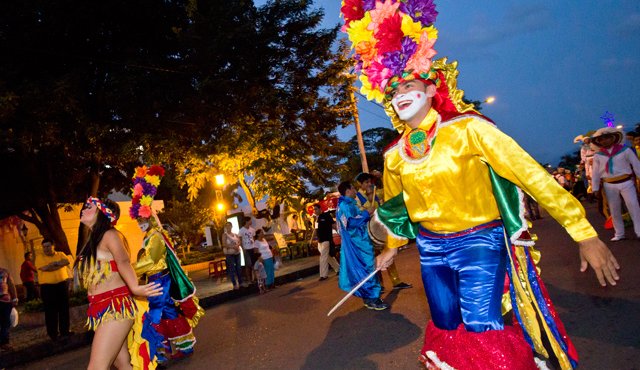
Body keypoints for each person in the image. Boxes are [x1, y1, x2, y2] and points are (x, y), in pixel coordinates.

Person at [341, 1, 620, 368]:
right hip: (429, 248)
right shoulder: (394, 154)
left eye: (408, 84)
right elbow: (399, 205)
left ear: (429, 89)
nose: (400, 94)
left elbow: (530, 173)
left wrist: (584, 232)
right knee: (446, 326)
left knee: (480, 329)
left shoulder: (469, 129)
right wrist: (391, 246)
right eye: (393, 91)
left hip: (478, 242)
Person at [130, 164, 205, 366]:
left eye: (141, 220)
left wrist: (128, 269)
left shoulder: (155, 237)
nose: (139, 224)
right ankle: (175, 347)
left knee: (157, 313)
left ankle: (161, 350)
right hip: (156, 280)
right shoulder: (151, 236)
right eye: (138, 221)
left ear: (150, 220)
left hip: (159, 280)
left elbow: (151, 261)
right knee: (166, 312)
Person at [75, 197, 162, 370]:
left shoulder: (110, 235)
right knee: (123, 364)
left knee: (96, 367)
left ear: (102, 213)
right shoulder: (93, 240)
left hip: (115, 309)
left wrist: (135, 287)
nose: (83, 209)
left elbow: (123, 261)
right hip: (100, 310)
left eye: (89, 207)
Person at [336, 181, 389, 311]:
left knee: (362, 271)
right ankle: (373, 299)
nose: (356, 191)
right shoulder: (344, 205)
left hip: (358, 243)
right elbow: (351, 223)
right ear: (348, 191)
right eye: (353, 188)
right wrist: (367, 214)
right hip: (358, 244)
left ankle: (369, 298)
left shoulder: (346, 205)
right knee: (368, 268)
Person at [354, 172, 412, 291]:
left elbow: (385, 199)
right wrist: (367, 210)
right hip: (367, 233)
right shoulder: (357, 198)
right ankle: (379, 285)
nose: (369, 184)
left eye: (370, 182)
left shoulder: (375, 194)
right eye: (366, 182)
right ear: (360, 184)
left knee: (388, 255)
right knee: (374, 260)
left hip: (379, 230)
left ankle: (396, 281)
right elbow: (358, 214)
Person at [590, 127, 640, 241]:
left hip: (626, 182)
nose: (604, 141)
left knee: (634, 206)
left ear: (613, 138)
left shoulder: (625, 150)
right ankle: (619, 234)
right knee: (614, 209)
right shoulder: (598, 155)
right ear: (598, 142)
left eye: (607, 138)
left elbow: (636, 165)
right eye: (601, 139)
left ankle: (639, 231)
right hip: (609, 185)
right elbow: (596, 173)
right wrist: (595, 188)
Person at [36, 238, 72, 341]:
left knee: (64, 309)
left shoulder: (60, 254)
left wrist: (52, 265)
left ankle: (65, 331)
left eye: (48, 246)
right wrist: (58, 265)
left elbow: (66, 261)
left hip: (62, 285)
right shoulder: (39, 257)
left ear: (53, 246)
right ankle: (53, 334)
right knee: (50, 311)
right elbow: (44, 269)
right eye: (44, 247)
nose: (46, 249)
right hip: (47, 288)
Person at [313, 204, 340, 281]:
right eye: (314, 210)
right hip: (320, 240)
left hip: (326, 239)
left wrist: (340, 232)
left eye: (316, 209)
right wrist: (312, 239)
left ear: (320, 209)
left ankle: (323, 275)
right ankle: (338, 269)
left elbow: (333, 225)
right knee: (328, 257)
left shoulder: (326, 216)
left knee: (323, 257)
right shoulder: (316, 219)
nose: (315, 211)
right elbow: (315, 230)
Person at [0, 265, 18, 351]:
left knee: (5, 322)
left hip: (5, 301)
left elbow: (11, 285)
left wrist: (15, 298)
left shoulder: (4, 272)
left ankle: (4, 343)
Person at [222, 222, 243, 290]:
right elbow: (224, 244)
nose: (228, 227)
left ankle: (240, 282)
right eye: (227, 226)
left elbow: (239, 241)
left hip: (237, 253)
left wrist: (238, 245)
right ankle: (234, 284)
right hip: (230, 254)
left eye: (229, 226)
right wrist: (233, 247)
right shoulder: (224, 235)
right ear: (225, 227)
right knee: (232, 269)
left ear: (231, 226)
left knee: (239, 268)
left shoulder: (235, 234)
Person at [238, 217, 256, 287]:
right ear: (246, 221)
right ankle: (249, 279)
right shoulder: (241, 230)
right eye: (250, 220)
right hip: (246, 249)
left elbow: (253, 238)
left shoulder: (252, 229)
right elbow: (240, 240)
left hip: (252, 248)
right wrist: (243, 248)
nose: (251, 221)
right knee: (248, 265)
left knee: (254, 264)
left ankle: (255, 278)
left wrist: (254, 247)